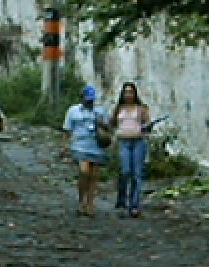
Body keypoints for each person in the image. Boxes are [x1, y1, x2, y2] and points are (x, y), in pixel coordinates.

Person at [109, 83, 156, 215]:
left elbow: (148, 124)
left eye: (131, 92)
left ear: (135, 94)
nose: (128, 95)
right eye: (126, 92)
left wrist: (147, 126)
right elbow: (111, 123)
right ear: (122, 94)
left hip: (138, 142)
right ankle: (122, 200)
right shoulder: (119, 108)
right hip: (123, 141)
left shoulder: (141, 108)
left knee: (137, 174)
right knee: (125, 171)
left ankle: (134, 205)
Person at [63, 84, 107, 214]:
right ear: (82, 98)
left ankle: (90, 203)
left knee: (94, 176)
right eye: (87, 98)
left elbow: (108, 128)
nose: (89, 101)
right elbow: (67, 129)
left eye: (91, 99)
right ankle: (81, 200)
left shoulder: (100, 111)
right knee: (84, 172)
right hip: (79, 145)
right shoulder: (73, 110)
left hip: (96, 145)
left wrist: (101, 123)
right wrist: (65, 145)